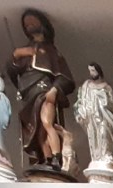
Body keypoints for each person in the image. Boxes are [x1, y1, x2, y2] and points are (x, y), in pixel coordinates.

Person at [6, 8, 75, 171]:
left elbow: (66, 78)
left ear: (42, 24)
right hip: (28, 95)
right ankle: (47, 159)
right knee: (38, 132)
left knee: (47, 124)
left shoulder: (52, 51)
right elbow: (12, 72)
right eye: (26, 24)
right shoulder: (25, 52)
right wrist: (16, 55)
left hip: (44, 93)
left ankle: (56, 158)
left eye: (32, 21)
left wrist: (55, 90)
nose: (29, 25)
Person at [74, 62, 113, 174]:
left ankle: (107, 156)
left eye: (93, 70)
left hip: (104, 117)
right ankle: (97, 158)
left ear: (98, 71)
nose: (91, 73)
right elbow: (80, 101)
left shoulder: (106, 87)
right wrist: (80, 112)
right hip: (91, 118)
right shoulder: (86, 85)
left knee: (104, 134)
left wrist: (105, 100)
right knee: (95, 138)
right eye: (90, 71)